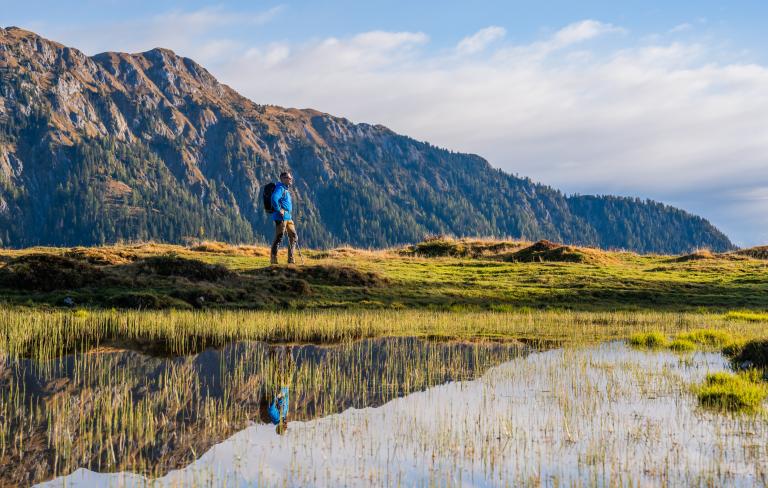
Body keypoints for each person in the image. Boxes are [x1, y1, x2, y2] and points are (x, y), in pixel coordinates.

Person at [270, 171, 298, 265]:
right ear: (282, 179)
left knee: (293, 236)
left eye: (291, 178)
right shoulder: (280, 188)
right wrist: (279, 209)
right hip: (280, 217)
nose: (290, 179)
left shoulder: (285, 189)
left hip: (288, 217)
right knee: (279, 237)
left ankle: (291, 260)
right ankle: (273, 259)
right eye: (288, 178)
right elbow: (274, 198)